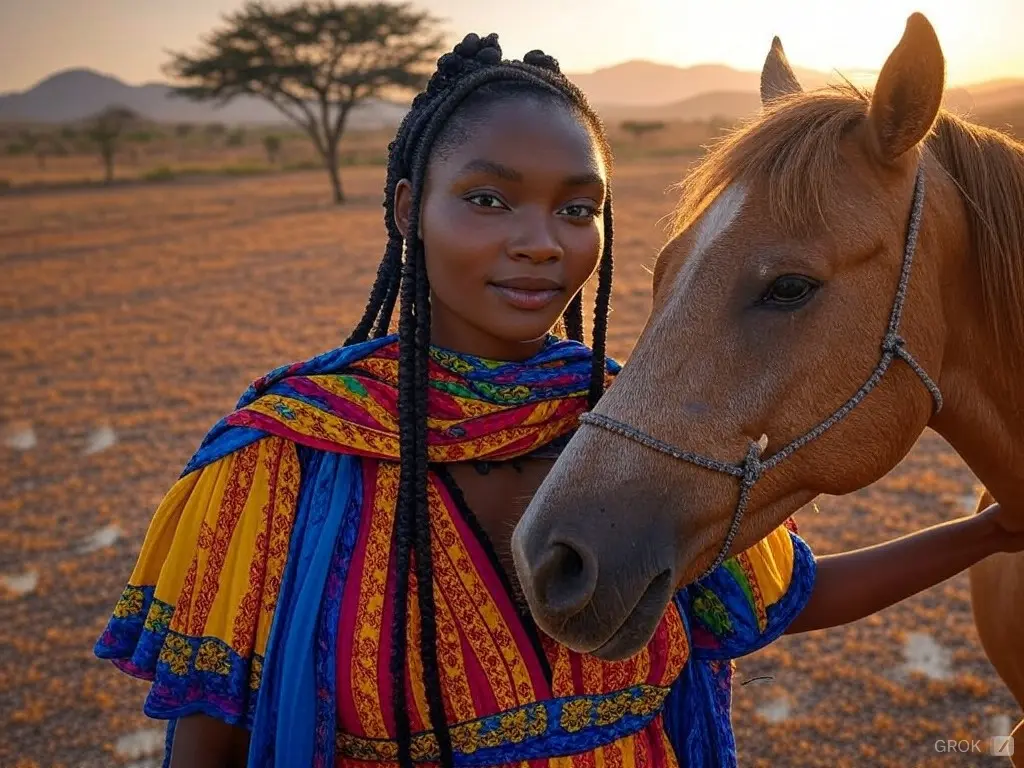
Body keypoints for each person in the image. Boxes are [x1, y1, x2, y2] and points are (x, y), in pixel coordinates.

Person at [94, 32, 1024, 768]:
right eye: (491, 201)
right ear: (412, 206)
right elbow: (208, 745)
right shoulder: (281, 462)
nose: (543, 242)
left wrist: (983, 533)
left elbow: (794, 594)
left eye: (578, 209)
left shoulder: (627, 429)